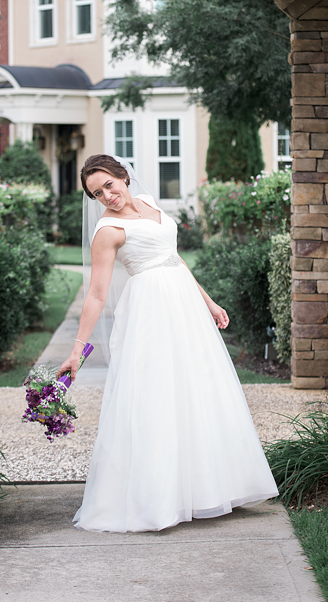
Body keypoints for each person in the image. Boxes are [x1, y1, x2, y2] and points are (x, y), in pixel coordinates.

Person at [57, 153, 278, 533]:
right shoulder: (107, 231)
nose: (106, 195)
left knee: (199, 389)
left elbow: (173, 258)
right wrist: (78, 349)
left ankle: (206, 488)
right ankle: (158, 498)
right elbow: (96, 294)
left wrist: (208, 302)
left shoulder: (150, 204)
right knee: (156, 396)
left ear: (123, 176)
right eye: (97, 193)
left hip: (185, 306)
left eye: (109, 184)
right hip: (150, 311)